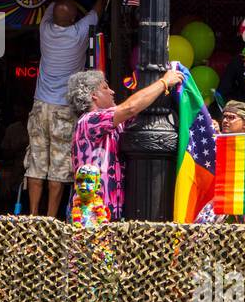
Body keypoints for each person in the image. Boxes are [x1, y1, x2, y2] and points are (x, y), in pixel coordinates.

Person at [25, 0, 111, 216]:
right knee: (59, 165)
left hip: (40, 105)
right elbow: (100, 4)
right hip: (63, 108)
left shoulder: (45, 28)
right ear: (75, 18)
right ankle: (51, 219)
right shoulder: (78, 33)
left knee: (36, 163)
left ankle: (33, 217)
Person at [67, 67, 182, 222]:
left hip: (112, 213)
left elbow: (137, 108)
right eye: (105, 88)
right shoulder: (89, 121)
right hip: (90, 215)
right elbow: (130, 108)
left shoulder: (114, 123)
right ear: (93, 95)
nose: (112, 92)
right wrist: (164, 82)